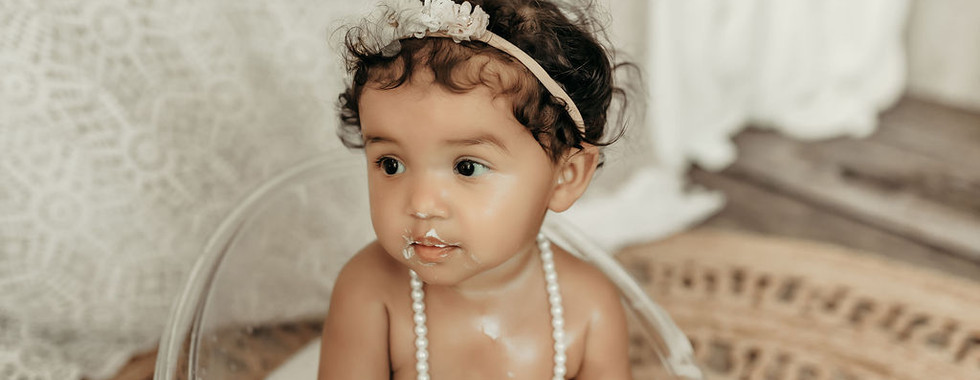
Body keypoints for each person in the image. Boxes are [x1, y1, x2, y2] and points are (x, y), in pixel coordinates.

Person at [318, 0, 632, 379]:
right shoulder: (370, 294)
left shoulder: (588, 307)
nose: (421, 205)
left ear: (565, 177)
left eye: (467, 167)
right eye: (391, 164)